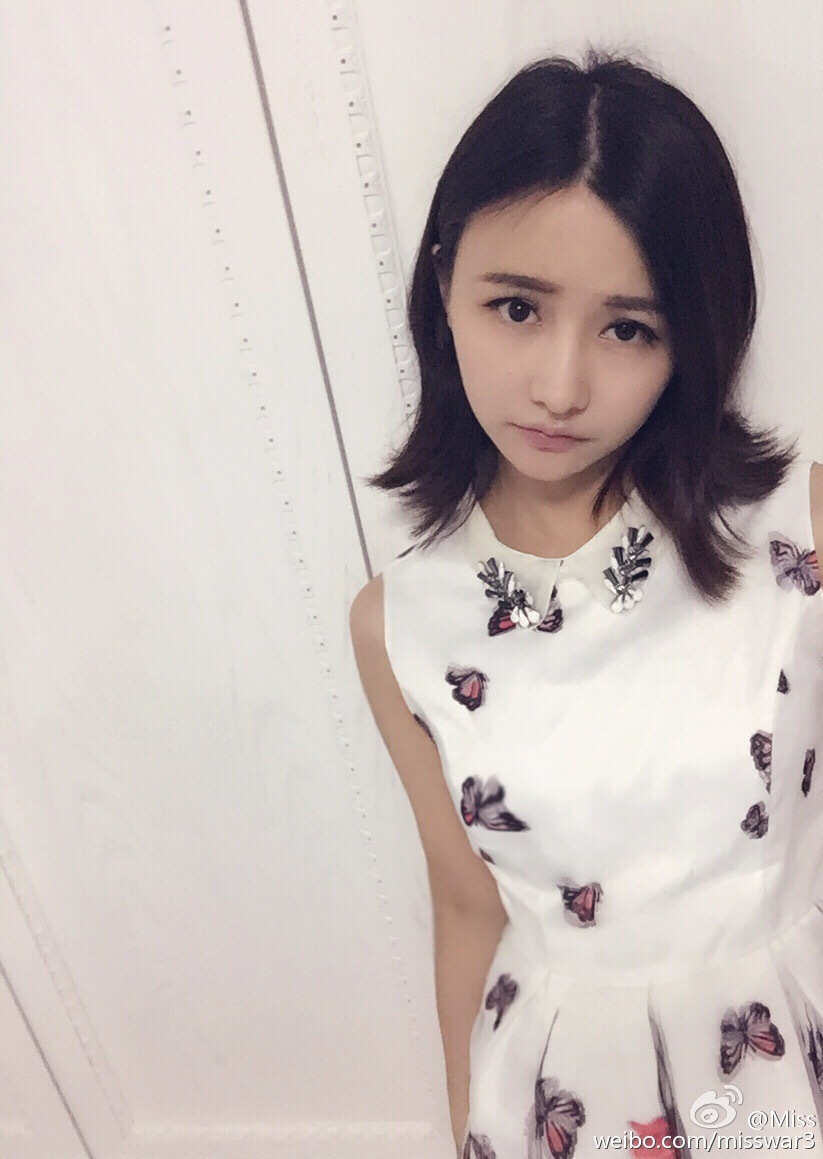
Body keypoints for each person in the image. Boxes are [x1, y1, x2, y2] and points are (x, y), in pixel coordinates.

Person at [349, 45, 823, 1159]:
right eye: (516, 307)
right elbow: (466, 905)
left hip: (783, 1060)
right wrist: (464, 1119)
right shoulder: (401, 625)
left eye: (627, 328)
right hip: (564, 1089)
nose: (559, 387)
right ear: (442, 283)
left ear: (690, 336)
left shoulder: (795, 533)